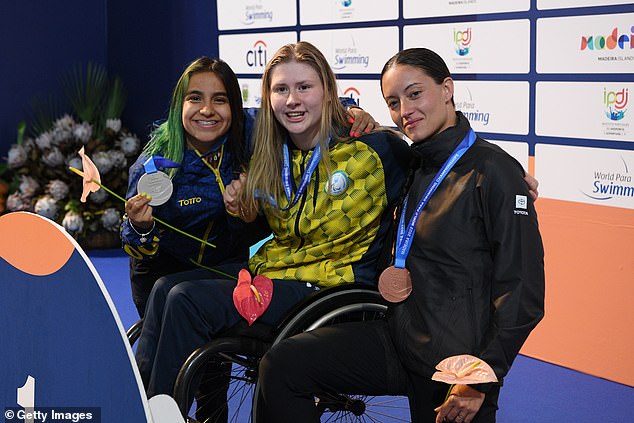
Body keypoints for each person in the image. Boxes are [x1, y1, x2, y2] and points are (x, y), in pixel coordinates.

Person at [258, 47, 545, 423]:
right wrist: (360, 119)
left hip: (457, 366)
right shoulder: (414, 161)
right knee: (283, 364)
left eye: (414, 94)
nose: (404, 110)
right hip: (399, 339)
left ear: (447, 89)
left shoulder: (494, 172)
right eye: (393, 101)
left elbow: (522, 291)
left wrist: (480, 379)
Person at [133, 41, 410, 421]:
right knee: (166, 289)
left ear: (328, 90)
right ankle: (138, 404)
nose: (292, 100)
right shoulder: (272, 148)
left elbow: (438, 162)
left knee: (186, 300)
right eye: (281, 90)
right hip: (277, 273)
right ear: (268, 98)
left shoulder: (375, 150)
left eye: (304, 88)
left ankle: (155, 415)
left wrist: (507, 178)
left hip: (330, 287)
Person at [121, 56, 375, 318]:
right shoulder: (154, 166)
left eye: (219, 99)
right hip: (165, 270)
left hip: (228, 262)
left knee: (215, 351)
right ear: (178, 105)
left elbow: (300, 109)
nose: (207, 110)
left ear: (234, 105)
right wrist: (142, 226)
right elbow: (134, 245)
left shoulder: (250, 129)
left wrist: (350, 111)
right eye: (194, 98)